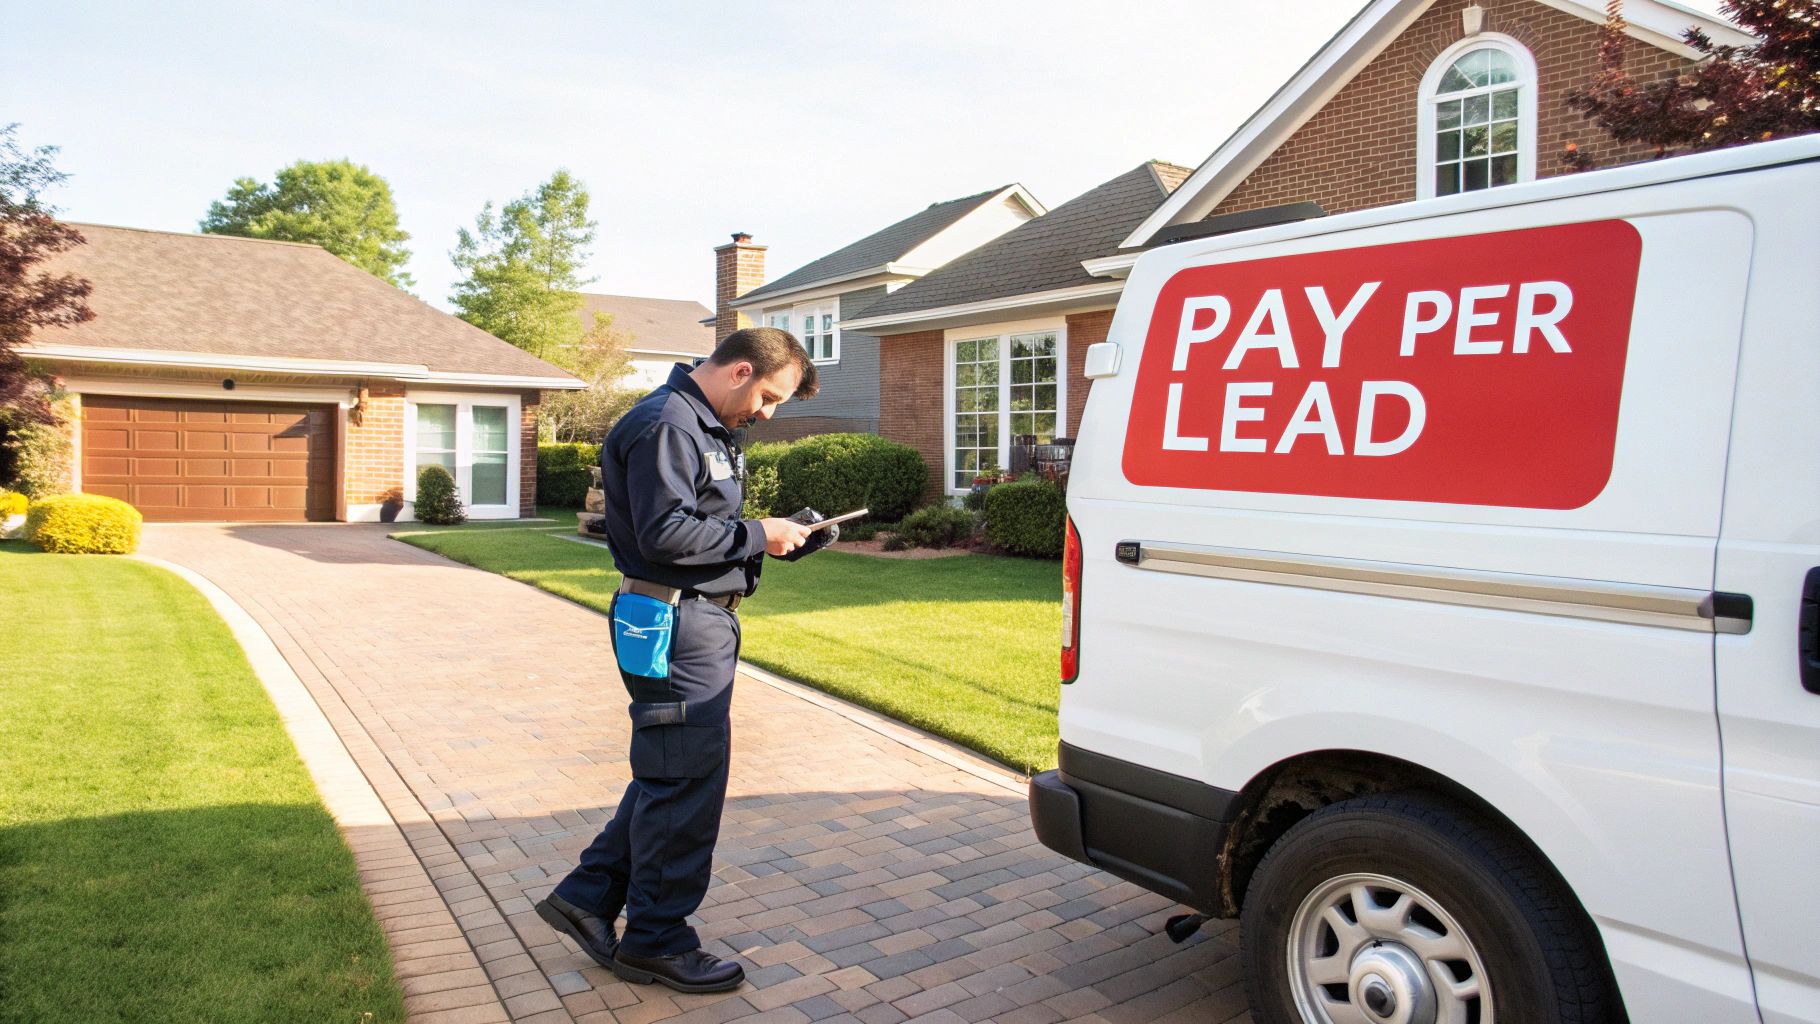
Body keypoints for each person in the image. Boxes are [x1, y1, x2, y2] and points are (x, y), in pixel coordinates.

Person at [534, 327, 822, 994]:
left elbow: (702, 528)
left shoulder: (704, 425)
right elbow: (666, 534)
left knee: (672, 769)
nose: (767, 414)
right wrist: (759, 532)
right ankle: (656, 941)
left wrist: (774, 539)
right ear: (740, 370)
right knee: (685, 782)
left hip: (692, 617)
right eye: (768, 398)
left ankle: (587, 896)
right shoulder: (668, 424)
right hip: (674, 620)